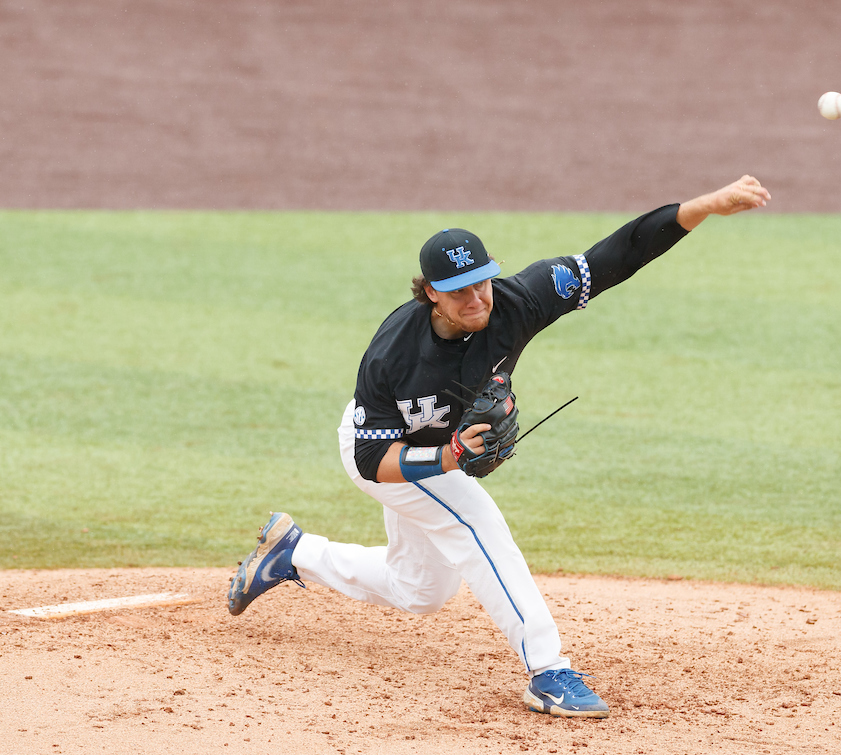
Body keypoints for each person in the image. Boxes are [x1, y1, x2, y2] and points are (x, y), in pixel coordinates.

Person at [226, 175, 771, 718]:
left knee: (420, 591)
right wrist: (451, 458)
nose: (476, 297)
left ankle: (292, 552)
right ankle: (548, 669)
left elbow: (616, 255)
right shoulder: (392, 354)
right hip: (388, 450)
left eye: (482, 281)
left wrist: (702, 206)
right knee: (476, 523)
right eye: (459, 288)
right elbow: (372, 462)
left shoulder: (517, 301)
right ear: (431, 292)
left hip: (439, 448)